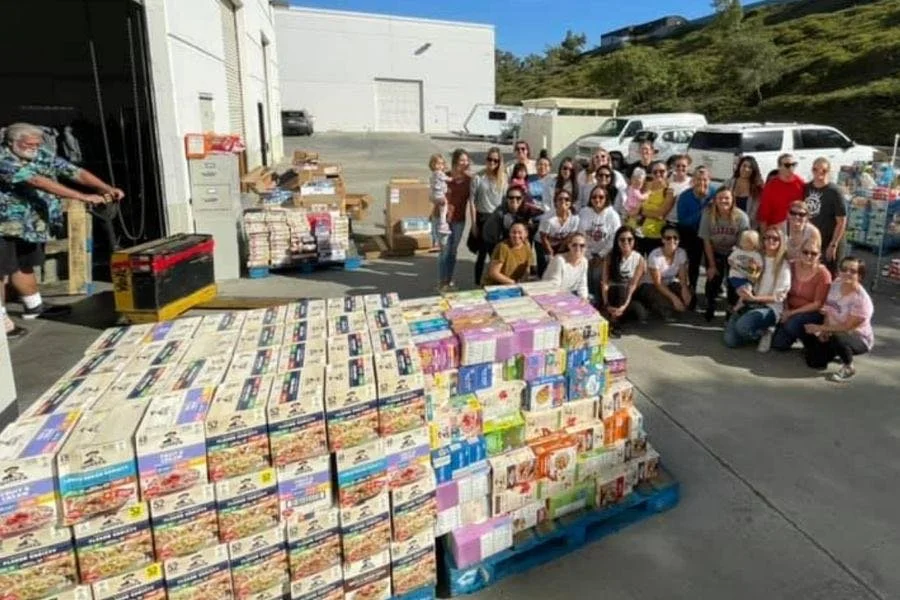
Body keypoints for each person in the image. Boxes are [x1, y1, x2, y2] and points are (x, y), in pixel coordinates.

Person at [0, 123, 122, 336]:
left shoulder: (39, 153)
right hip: (4, 225)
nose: (35, 148)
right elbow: (37, 181)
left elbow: (73, 172)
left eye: (37, 144)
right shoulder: (4, 159)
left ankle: (34, 306)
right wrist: (83, 196)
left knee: (23, 265)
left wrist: (105, 188)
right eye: (30, 145)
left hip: (29, 227)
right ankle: (2, 322)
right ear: (12, 142)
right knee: (1, 271)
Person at [800, 256, 874, 382]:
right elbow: (829, 310)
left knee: (837, 337)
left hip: (857, 337)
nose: (847, 273)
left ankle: (848, 366)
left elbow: (847, 327)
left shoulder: (862, 300)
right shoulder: (835, 285)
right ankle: (835, 351)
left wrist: (821, 328)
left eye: (852, 271)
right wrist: (824, 330)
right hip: (833, 329)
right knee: (814, 362)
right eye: (844, 269)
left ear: (860, 276)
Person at [723, 226, 791, 352]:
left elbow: (779, 297)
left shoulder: (783, 266)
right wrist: (741, 290)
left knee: (742, 327)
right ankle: (756, 331)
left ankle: (768, 331)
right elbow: (744, 275)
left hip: (770, 308)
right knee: (730, 341)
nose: (770, 241)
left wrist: (754, 298)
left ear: (781, 242)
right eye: (767, 237)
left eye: (775, 238)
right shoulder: (756, 257)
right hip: (750, 303)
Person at [699, 188, 750, 321]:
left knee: (733, 280)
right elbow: (706, 241)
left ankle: (731, 307)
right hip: (714, 250)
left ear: (733, 200)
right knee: (713, 278)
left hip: (734, 252)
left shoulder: (741, 217)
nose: (723, 201)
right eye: (720, 198)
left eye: (727, 198)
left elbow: (743, 244)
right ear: (715, 200)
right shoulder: (708, 215)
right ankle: (710, 304)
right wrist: (711, 265)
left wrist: (735, 264)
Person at [771, 239, 832, 351]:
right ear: (799, 252)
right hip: (789, 309)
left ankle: (811, 341)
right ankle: (795, 333)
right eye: (805, 252)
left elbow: (817, 304)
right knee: (778, 344)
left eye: (813, 253)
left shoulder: (823, 274)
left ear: (819, 255)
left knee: (791, 325)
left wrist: (790, 313)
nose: (809, 256)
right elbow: (784, 290)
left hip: (811, 312)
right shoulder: (790, 266)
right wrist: (786, 309)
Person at [601, 226, 649, 337]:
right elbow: (605, 282)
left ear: (634, 241)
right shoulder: (610, 256)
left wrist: (625, 305)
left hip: (628, 294)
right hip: (612, 293)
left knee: (641, 315)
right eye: (622, 239)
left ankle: (618, 315)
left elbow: (633, 285)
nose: (626, 242)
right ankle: (615, 321)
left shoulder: (639, 259)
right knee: (619, 289)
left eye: (629, 239)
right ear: (617, 241)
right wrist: (606, 304)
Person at [637, 224, 692, 319]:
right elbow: (658, 283)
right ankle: (645, 306)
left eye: (675, 238)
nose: (672, 240)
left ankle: (670, 305)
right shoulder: (655, 255)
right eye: (668, 238)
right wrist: (674, 298)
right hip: (650, 285)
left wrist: (685, 290)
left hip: (669, 283)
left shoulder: (681, 253)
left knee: (690, 298)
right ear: (663, 240)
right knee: (667, 307)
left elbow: (683, 278)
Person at [676, 167, 714, 303]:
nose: (701, 183)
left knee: (712, 264)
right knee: (694, 264)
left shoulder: (714, 193)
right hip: (691, 233)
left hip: (711, 234)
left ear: (709, 180)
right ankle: (691, 292)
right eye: (698, 179)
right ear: (692, 180)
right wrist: (702, 211)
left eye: (705, 180)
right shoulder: (684, 197)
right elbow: (683, 221)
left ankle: (711, 294)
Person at [804, 157, 847, 274]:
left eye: (823, 170)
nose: (819, 173)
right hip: (813, 242)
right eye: (815, 169)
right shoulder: (806, 188)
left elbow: (841, 221)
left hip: (830, 242)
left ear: (829, 171)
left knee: (830, 275)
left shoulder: (835, 192)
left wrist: (833, 245)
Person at [470, 147, 506, 285]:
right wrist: (474, 224)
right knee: (481, 254)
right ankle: (477, 283)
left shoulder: (503, 178)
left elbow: (504, 200)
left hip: (496, 219)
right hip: (482, 217)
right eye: (489, 159)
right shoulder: (478, 177)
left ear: (499, 162)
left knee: (495, 254)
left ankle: (494, 281)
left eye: (495, 160)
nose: (492, 162)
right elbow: (472, 202)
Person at [578, 185, 620, 300]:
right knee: (585, 278)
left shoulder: (613, 215)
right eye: (594, 197)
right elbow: (580, 235)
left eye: (601, 197)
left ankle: (599, 302)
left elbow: (614, 238)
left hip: (605, 255)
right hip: (585, 253)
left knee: (597, 277)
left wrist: (601, 255)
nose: (597, 200)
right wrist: (588, 255)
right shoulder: (583, 212)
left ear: (606, 198)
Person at [439, 149, 471, 290]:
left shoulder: (469, 180)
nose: (465, 163)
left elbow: (473, 200)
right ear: (455, 161)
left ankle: (449, 279)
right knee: (445, 251)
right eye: (462, 160)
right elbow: (434, 196)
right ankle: (442, 282)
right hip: (444, 220)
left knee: (453, 251)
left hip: (459, 220)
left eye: (466, 160)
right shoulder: (444, 177)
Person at [481, 188, 542, 252]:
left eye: (518, 198)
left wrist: (531, 224)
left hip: (508, 235)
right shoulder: (501, 214)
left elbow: (540, 214)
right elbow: (502, 236)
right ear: (507, 199)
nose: (514, 200)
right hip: (492, 238)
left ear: (522, 199)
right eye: (511, 197)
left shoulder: (527, 208)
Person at [758, 153, 805, 232]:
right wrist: (764, 235)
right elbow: (763, 215)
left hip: (796, 231)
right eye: (787, 165)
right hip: (776, 231)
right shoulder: (770, 186)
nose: (791, 168)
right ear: (779, 167)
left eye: (793, 165)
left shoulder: (800, 184)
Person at [537, 189, 580, 276]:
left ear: (571, 202)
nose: (563, 201)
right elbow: (543, 237)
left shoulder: (575, 218)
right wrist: (551, 254)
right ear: (555, 202)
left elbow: (570, 236)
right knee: (546, 269)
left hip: (562, 242)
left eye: (567, 199)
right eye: (560, 199)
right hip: (543, 243)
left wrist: (559, 252)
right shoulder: (547, 218)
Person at [636, 161, 674, 254]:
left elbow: (660, 215)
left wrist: (641, 211)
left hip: (655, 235)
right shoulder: (645, 186)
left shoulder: (669, 191)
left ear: (667, 172)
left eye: (662, 171)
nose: (658, 174)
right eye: (655, 172)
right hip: (637, 233)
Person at [542, 232, 589, 299]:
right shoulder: (559, 260)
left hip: (567, 294)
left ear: (586, 247)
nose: (578, 248)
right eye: (574, 245)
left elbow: (582, 285)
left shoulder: (584, 261)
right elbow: (553, 286)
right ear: (569, 245)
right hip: (548, 294)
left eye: (582, 245)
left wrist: (584, 298)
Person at [728, 230, 763, 312]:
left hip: (747, 277)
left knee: (748, 289)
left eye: (750, 242)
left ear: (755, 244)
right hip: (735, 276)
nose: (747, 244)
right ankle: (739, 305)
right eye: (745, 242)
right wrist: (734, 265)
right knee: (744, 290)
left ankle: (739, 305)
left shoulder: (756, 254)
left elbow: (759, 267)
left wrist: (755, 272)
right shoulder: (737, 251)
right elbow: (730, 259)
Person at [724, 156, 764, 228]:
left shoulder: (756, 189)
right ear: (739, 167)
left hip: (747, 226)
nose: (746, 169)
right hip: (727, 225)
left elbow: (754, 214)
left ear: (753, 171)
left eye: (750, 167)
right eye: (744, 166)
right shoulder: (728, 184)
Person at [428, 153, 452, 239]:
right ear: (432, 165)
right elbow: (447, 179)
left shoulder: (434, 173)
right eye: (438, 164)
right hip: (438, 195)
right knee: (444, 205)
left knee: (441, 207)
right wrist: (453, 179)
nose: (440, 166)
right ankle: (442, 224)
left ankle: (439, 224)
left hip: (433, 195)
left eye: (442, 164)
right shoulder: (439, 173)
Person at [666, 154, 693, 224]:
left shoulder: (692, 183)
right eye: (678, 166)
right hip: (667, 220)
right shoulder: (668, 181)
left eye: (684, 166)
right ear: (674, 166)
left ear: (688, 167)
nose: (680, 168)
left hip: (683, 222)